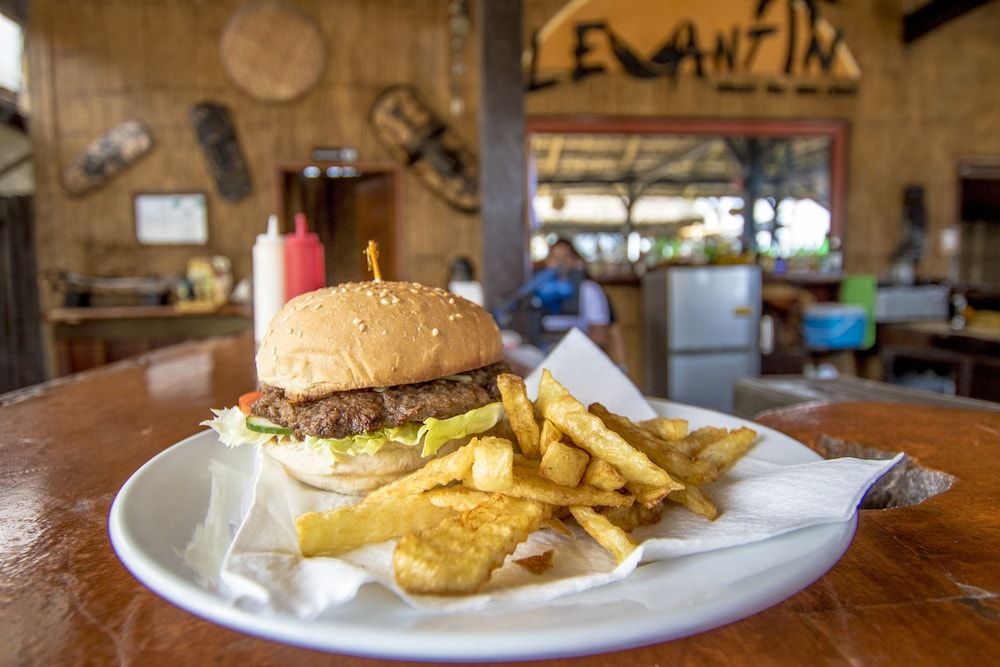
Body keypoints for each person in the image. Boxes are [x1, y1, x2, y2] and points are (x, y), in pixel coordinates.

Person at [535, 238, 628, 368]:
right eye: (554, 257)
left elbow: (601, 335)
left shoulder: (588, 290)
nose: (559, 263)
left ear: (576, 261)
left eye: (565, 257)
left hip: (579, 359)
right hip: (544, 356)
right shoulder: (538, 292)